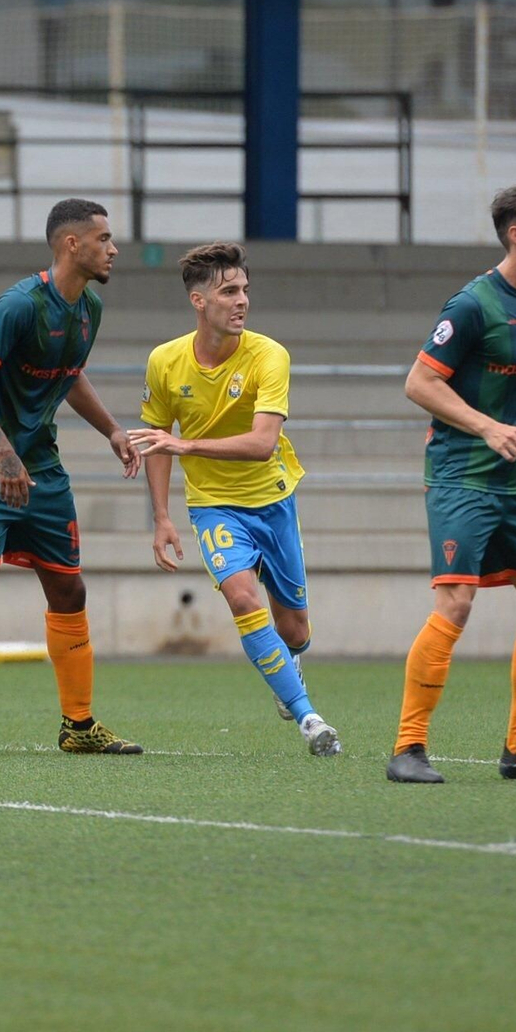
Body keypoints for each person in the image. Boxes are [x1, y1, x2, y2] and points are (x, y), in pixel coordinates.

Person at [388, 180, 516, 784]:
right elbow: (419, 383)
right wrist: (487, 428)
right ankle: (407, 749)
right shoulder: (470, 306)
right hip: (462, 478)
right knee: (456, 602)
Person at [0, 198, 142, 758]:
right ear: (72, 243)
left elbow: (69, 375)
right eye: (103, 238)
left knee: (69, 587)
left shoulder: (89, 308)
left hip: (41, 463)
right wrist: (3, 452)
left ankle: (79, 726)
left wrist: (112, 429)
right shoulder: (20, 304)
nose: (113, 249)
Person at [126, 242, 341, 757]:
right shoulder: (164, 361)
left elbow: (263, 443)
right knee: (242, 598)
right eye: (228, 292)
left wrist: (187, 445)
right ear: (199, 301)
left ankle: (290, 660)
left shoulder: (269, 355)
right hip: (213, 505)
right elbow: (157, 441)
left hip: (273, 499)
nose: (242, 300)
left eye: (244, 289)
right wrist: (161, 517)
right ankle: (309, 719)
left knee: (294, 629)